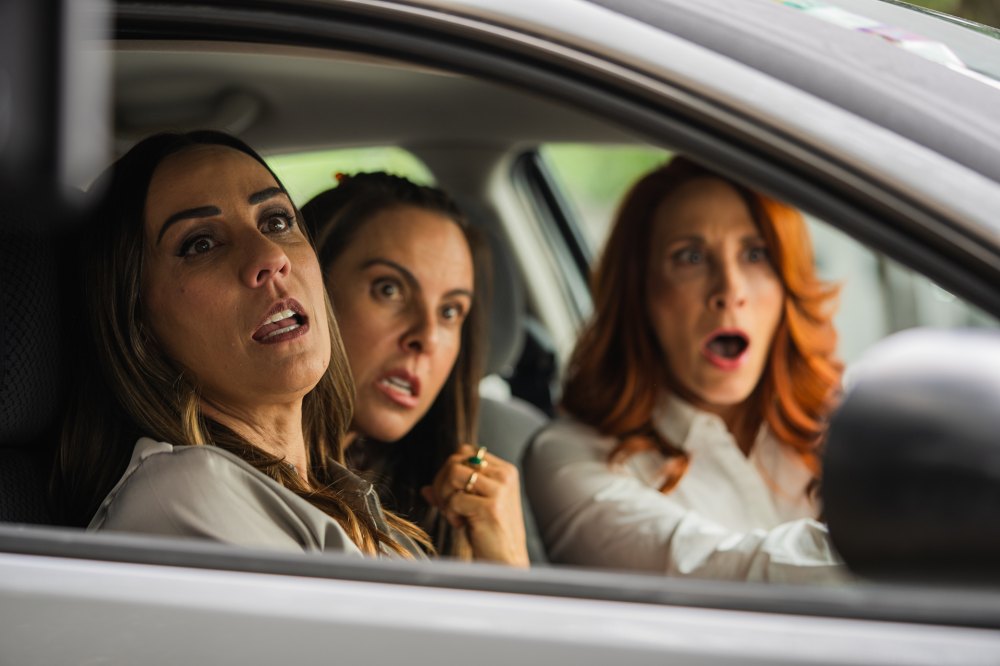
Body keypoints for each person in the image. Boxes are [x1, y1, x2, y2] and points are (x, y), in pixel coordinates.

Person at [53, 132, 427, 559]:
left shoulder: (345, 494)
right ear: (137, 324)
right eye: (201, 244)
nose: (269, 256)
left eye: (276, 221)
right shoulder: (184, 497)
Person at [523, 156, 847, 582]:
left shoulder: (847, 422)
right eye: (690, 257)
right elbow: (718, 572)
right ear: (640, 293)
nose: (730, 291)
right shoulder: (569, 458)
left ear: (788, 283)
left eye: (755, 254)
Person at [302, 173, 529, 566]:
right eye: (389, 289)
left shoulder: (456, 498)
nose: (427, 336)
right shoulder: (226, 485)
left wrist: (507, 564)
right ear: (308, 286)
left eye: (450, 311)